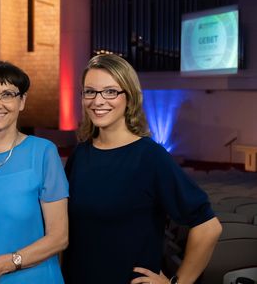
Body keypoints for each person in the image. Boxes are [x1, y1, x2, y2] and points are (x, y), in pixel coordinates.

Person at [63, 54, 222, 284]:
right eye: (90, 91)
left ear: (129, 97)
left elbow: (208, 227)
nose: (98, 101)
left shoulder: (150, 157)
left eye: (110, 91)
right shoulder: (80, 155)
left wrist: (179, 282)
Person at [0, 60, 69, 284]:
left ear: (22, 101)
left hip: (34, 279)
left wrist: (1, 265)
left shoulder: (43, 152)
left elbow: (59, 238)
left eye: (7, 94)